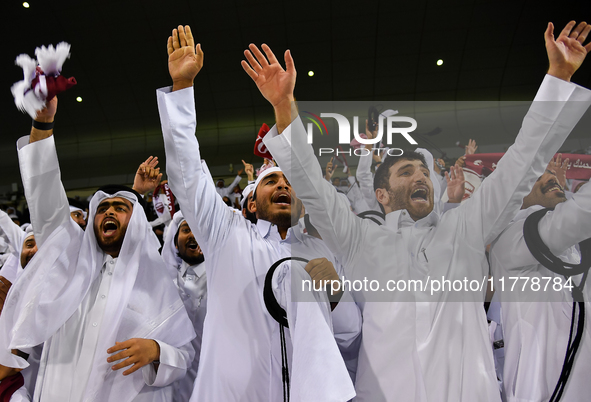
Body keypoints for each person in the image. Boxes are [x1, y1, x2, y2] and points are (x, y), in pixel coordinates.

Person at [243, 20, 591, 402]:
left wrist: (558, 78)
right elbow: (310, 183)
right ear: (382, 193)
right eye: (406, 171)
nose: (420, 176)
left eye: (424, 170)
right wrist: (282, 105)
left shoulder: (467, 228)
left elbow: (523, 160)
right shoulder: (360, 238)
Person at [157, 24, 355, 401]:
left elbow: (347, 337)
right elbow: (185, 174)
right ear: (249, 202)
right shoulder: (226, 233)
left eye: (289, 183)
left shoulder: (320, 250)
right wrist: (183, 88)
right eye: (271, 181)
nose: (284, 186)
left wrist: (337, 294)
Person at [0, 95, 196, 402]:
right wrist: (43, 123)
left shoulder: (157, 283)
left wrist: (157, 350)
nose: (109, 212)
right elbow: (44, 193)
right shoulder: (69, 268)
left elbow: (184, 355)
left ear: (138, 225)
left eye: (120, 208)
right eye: (102, 208)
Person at [489, 155, 591, 401]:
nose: (550, 177)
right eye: (536, 176)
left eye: (551, 173)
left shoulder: (578, 247)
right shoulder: (510, 239)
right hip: (547, 392)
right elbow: (573, 219)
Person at [161, 211, 207, 402]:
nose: (193, 235)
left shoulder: (225, 278)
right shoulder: (162, 280)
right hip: (170, 384)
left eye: (198, 229)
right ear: (175, 241)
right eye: (186, 229)